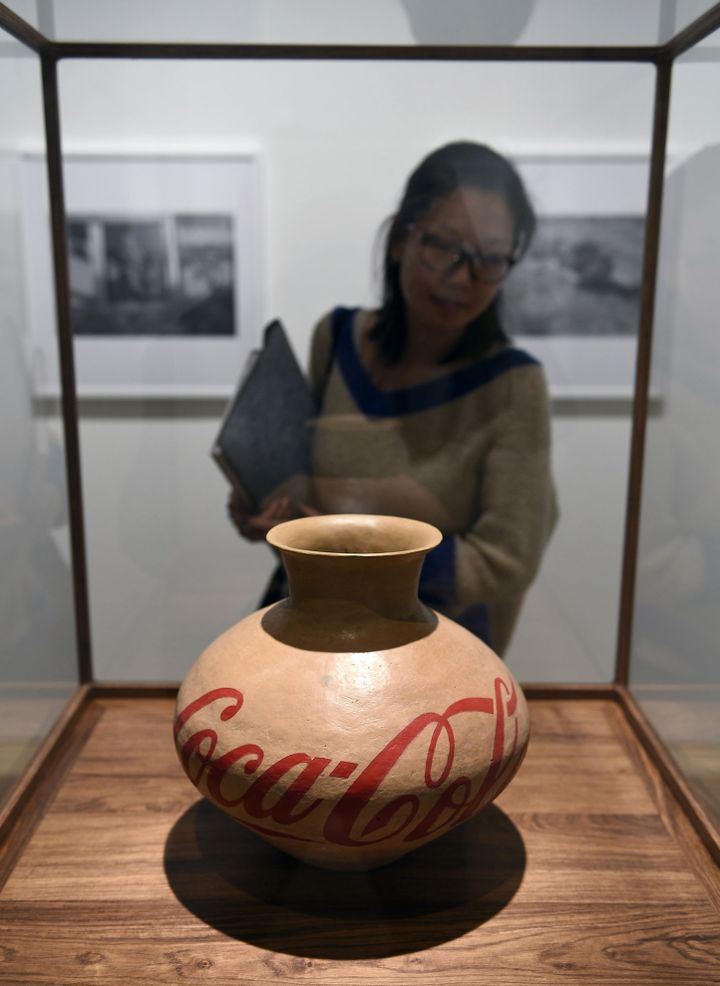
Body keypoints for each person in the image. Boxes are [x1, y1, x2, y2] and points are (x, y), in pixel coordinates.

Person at [229, 141, 558, 655]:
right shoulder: (335, 338)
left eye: (490, 260)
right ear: (401, 239)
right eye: (445, 249)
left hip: (430, 644)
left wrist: (346, 556)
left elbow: (507, 559)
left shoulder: (514, 385)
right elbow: (298, 479)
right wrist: (261, 507)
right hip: (310, 617)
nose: (463, 280)